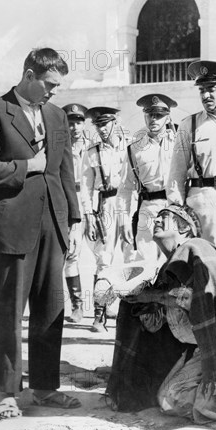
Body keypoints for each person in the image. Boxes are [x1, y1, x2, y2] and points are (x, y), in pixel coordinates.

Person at [0, 48, 81, 420]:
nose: (53, 92)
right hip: (14, 223)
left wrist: (74, 222)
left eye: (58, 86)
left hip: (54, 219)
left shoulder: (56, 114)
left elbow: (65, 170)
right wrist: (26, 166)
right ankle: (6, 392)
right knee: (9, 311)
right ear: (29, 75)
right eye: (49, 85)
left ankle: (46, 388)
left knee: (51, 308)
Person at [108, 204, 216, 423]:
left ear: (185, 228)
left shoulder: (197, 248)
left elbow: (196, 298)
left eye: (165, 217)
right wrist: (136, 301)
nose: (157, 221)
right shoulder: (169, 267)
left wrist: (150, 297)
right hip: (195, 350)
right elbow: (158, 324)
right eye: (157, 217)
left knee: (172, 400)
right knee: (164, 399)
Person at [166, 60, 216, 246]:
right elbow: (176, 174)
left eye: (211, 88)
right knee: (204, 264)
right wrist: (177, 209)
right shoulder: (189, 125)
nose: (206, 95)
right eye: (202, 90)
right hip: (200, 205)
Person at [81, 106, 133, 333]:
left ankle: (132, 315)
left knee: (133, 258)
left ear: (116, 122)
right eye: (98, 125)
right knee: (104, 259)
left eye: (105, 124)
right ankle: (99, 314)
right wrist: (89, 215)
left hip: (131, 204)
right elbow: (85, 188)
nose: (102, 129)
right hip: (107, 205)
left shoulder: (131, 145)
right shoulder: (92, 152)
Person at [118, 94, 177, 268]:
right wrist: (123, 220)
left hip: (175, 209)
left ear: (168, 117)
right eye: (150, 115)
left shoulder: (179, 144)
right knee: (145, 263)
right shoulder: (135, 149)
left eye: (158, 115)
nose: (153, 119)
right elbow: (125, 189)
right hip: (148, 209)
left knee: (177, 262)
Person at [61, 103, 88, 323]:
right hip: (69, 198)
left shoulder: (93, 146)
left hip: (92, 199)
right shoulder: (59, 147)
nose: (75, 127)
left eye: (79, 122)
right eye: (71, 123)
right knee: (71, 252)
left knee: (103, 253)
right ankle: (77, 305)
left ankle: (103, 306)